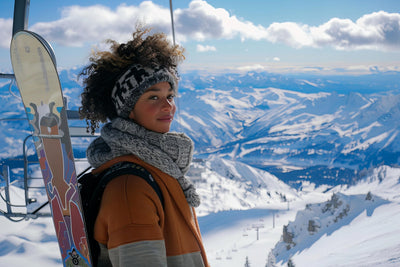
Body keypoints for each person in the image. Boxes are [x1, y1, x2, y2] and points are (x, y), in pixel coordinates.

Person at [79, 27, 209, 267]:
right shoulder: (130, 188)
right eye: (153, 97)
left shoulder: (158, 169)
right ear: (128, 109)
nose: (168, 105)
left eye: (170, 95)